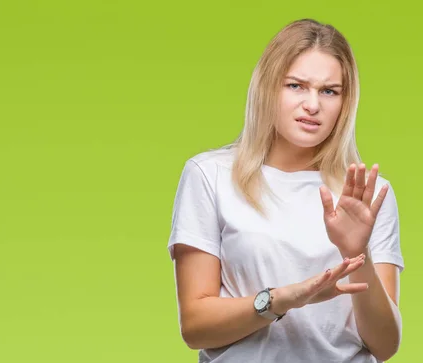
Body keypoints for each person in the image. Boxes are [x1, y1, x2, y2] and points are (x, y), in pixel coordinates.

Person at [166, 18, 405, 363]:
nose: (312, 105)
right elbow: (195, 326)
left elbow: (386, 346)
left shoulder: (367, 194)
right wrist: (282, 300)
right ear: (268, 87)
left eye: (329, 91)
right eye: (296, 86)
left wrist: (358, 254)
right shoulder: (210, 176)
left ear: (344, 101)